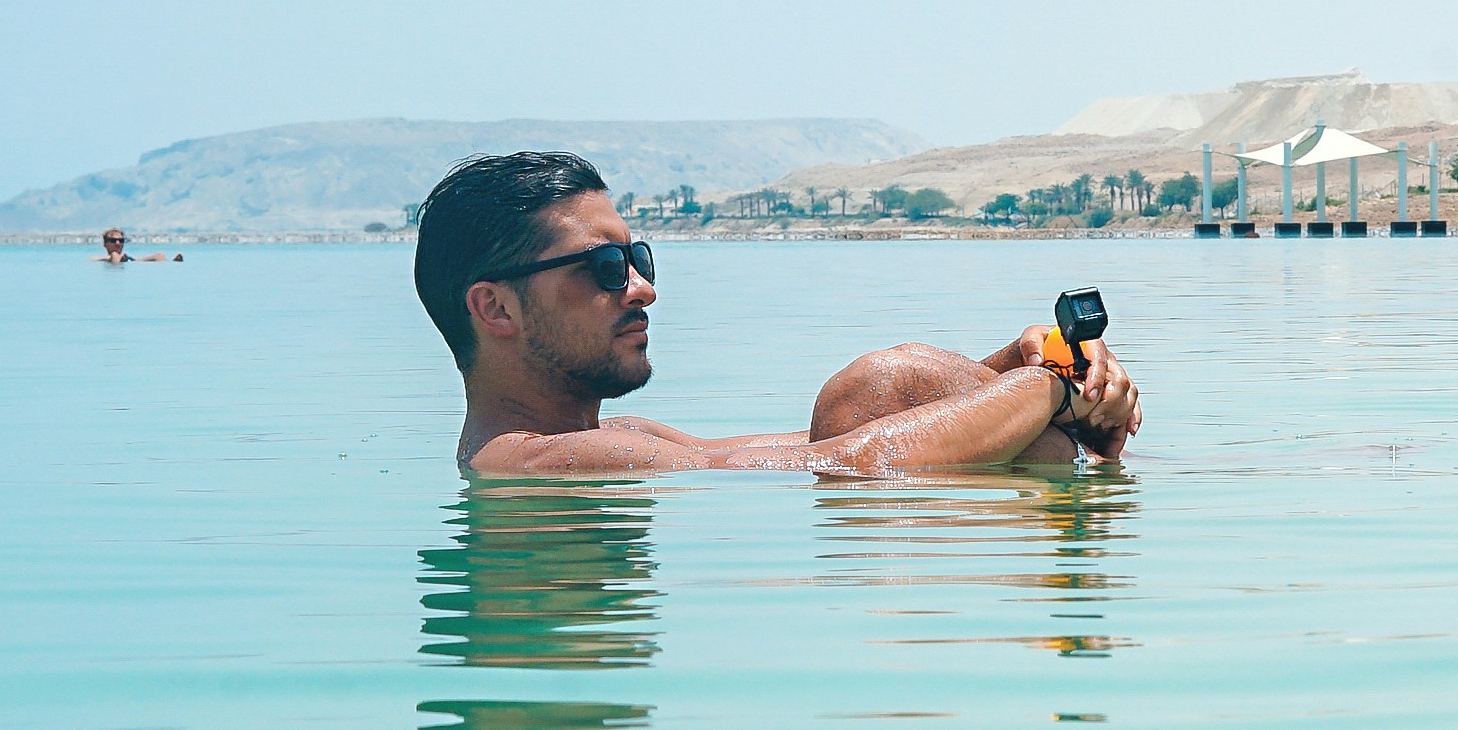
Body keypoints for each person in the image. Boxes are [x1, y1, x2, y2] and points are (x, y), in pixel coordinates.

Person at [416, 151, 1138, 479]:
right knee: (878, 400)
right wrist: (1055, 388)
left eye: (641, 260)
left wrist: (1019, 362)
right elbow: (851, 465)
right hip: (888, 601)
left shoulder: (623, 435)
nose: (642, 289)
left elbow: (849, 434)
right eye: (605, 268)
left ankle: (1083, 453)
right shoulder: (530, 462)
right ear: (495, 307)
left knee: (877, 391)